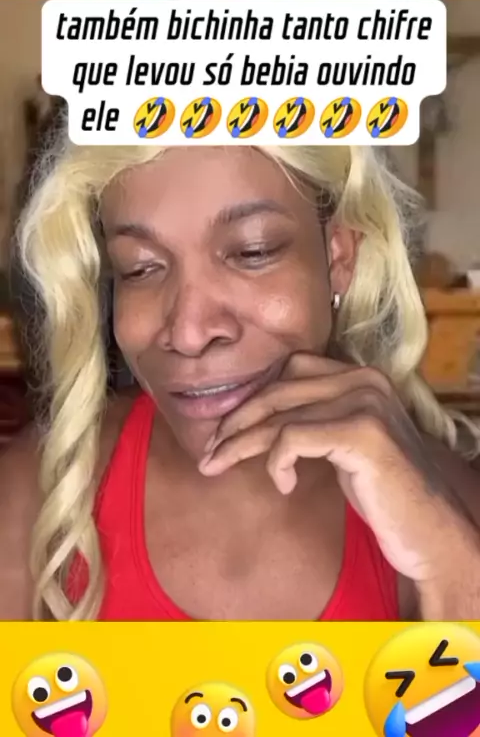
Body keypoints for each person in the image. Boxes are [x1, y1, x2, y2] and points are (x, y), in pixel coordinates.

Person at [1, 139, 480, 623]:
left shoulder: (444, 504)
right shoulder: (39, 497)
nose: (189, 334)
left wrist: (454, 572)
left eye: (253, 252)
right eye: (139, 268)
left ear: (338, 258)